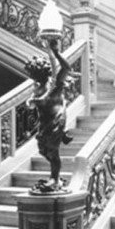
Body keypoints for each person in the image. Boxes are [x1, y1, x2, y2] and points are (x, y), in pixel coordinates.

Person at [24, 38, 73, 192]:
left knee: (52, 151)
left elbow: (66, 67)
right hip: (44, 122)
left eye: (34, 73)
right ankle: (54, 177)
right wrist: (31, 101)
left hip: (55, 120)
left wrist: (56, 53)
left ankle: (55, 179)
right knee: (43, 150)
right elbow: (34, 101)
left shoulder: (54, 83)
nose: (33, 77)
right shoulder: (38, 87)